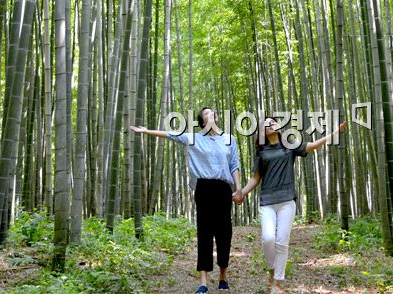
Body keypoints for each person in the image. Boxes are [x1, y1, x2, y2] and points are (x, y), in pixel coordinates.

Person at [131, 107, 242, 293]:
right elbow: (170, 134)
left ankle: (223, 276)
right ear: (202, 121)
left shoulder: (229, 139)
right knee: (204, 233)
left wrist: (239, 188)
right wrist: (146, 131)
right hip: (204, 188)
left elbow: (234, 165)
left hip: (223, 189)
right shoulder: (194, 138)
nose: (211, 114)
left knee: (224, 233)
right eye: (206, 113)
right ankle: (204, 282)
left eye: (212, 112)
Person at [235, 114, 346, 291]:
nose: (271, 124)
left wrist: (334, 133)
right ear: (262, 131)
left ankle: (277, 282)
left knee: (282, 241)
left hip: (287, 200)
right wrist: (242, 193)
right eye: (267, 124)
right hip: (267, 201)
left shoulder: (289, 145)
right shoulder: (261, 152)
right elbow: (256, 178)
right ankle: (272, 270)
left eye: (273, 122)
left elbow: (313, 145)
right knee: (268, 239)